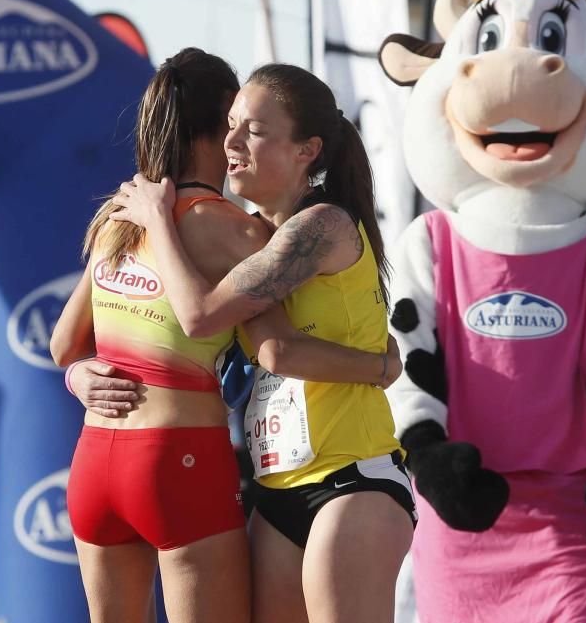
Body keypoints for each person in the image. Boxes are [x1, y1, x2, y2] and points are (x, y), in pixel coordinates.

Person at [50, 49, 401, 623]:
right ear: (218, 125)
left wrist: (78, 375)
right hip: (178, 458)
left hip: (95, 462)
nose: (238, 140)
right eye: (233, 124)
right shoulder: (241, 232)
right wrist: (383, 368)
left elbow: (65, 347)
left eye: (253, 128)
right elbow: (266, 345)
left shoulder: (119, 217)